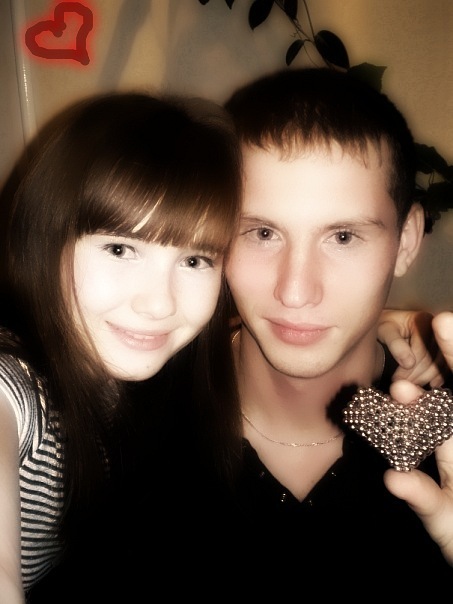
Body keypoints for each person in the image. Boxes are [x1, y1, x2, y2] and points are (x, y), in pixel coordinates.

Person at [0, 90, 243, 602]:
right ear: (46, 240)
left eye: (195, 260)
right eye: (119, 248)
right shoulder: (16, 388)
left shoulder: (164, 378)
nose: (159, 304)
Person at [220, 66, 453, 591]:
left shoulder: (446, 435)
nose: (295, 291)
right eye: (261, 233)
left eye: (343, 237)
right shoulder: (127, 415)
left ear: (407, 241)